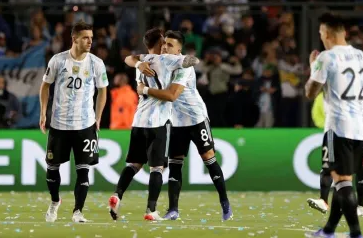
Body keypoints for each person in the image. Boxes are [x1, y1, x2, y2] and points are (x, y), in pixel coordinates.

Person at [133, 30, 233, 221]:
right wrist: (139, 63)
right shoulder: (160, 62)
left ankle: (225, 204)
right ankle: (173, 209)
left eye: (170, 45)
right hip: (176, 120)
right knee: (175, 164)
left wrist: (144, 89)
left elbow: (172, 95)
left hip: (195, 118)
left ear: (179, 50)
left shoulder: (183, 67)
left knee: (208, 158)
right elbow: (132, 59)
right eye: (164, 44)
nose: (165, 47)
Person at [108, 28, 200, 221]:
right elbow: (192, 61)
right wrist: (184, 59)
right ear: (159, 43)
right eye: (164, 42)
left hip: (138, 121)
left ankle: (117, 194)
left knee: (133, 164)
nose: (166, 45)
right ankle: (151, 210)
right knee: (157, 168)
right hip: (158, 122)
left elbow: (128, 58)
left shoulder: (141, 62)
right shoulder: (166, 59)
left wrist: (139, 63)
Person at [303, 13, 363, 238]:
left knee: (343, 182)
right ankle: (328, 231)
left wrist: (312, 66)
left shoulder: (326, 58)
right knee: (342, 180)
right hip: (359, 128)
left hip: (338, 126)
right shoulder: (362, 57)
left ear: (326, 33)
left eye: (320, 33)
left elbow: (310, 93)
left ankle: (356, 233)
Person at [39, 21, 108, 223]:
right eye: (86, 37)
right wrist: (43, 113)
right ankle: (54, 202)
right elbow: (45, 86)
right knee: (52, 167)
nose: (90, 41)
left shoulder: (96, 63)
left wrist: (98, 116)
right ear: (74, 39)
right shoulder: (58, 61)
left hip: (84, 124)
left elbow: (103, 90)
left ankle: (78, 211)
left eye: (92, 38)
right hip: (59, 124)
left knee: (83, 170)